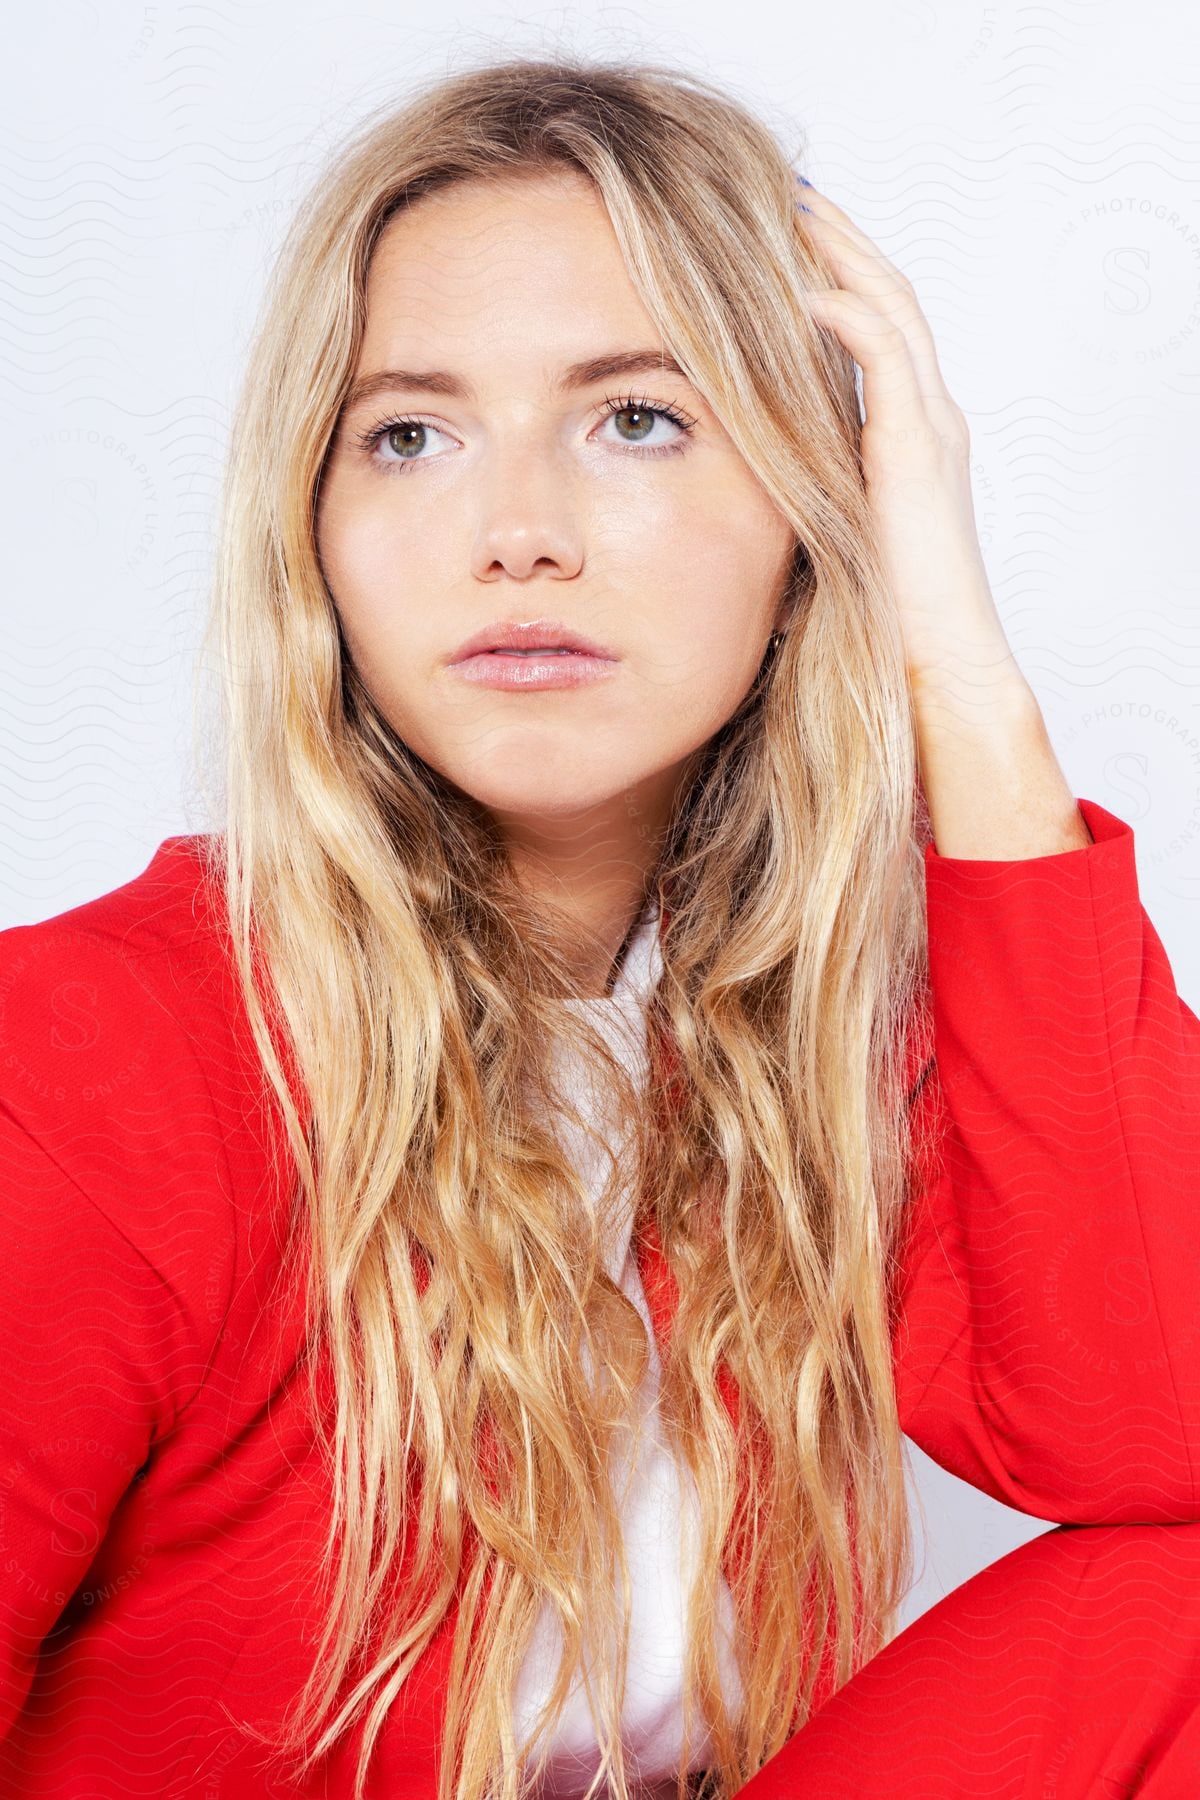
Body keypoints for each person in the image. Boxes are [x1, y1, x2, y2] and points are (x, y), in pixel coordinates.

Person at [2, 53, 1200, 1800]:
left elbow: (1157, 1428)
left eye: (637, 417)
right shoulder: (84, 1060)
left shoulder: (825, 1037)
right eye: (408, 435)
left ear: (818, 500)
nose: (515, 535)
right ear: (315, 531)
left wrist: (954, 659)